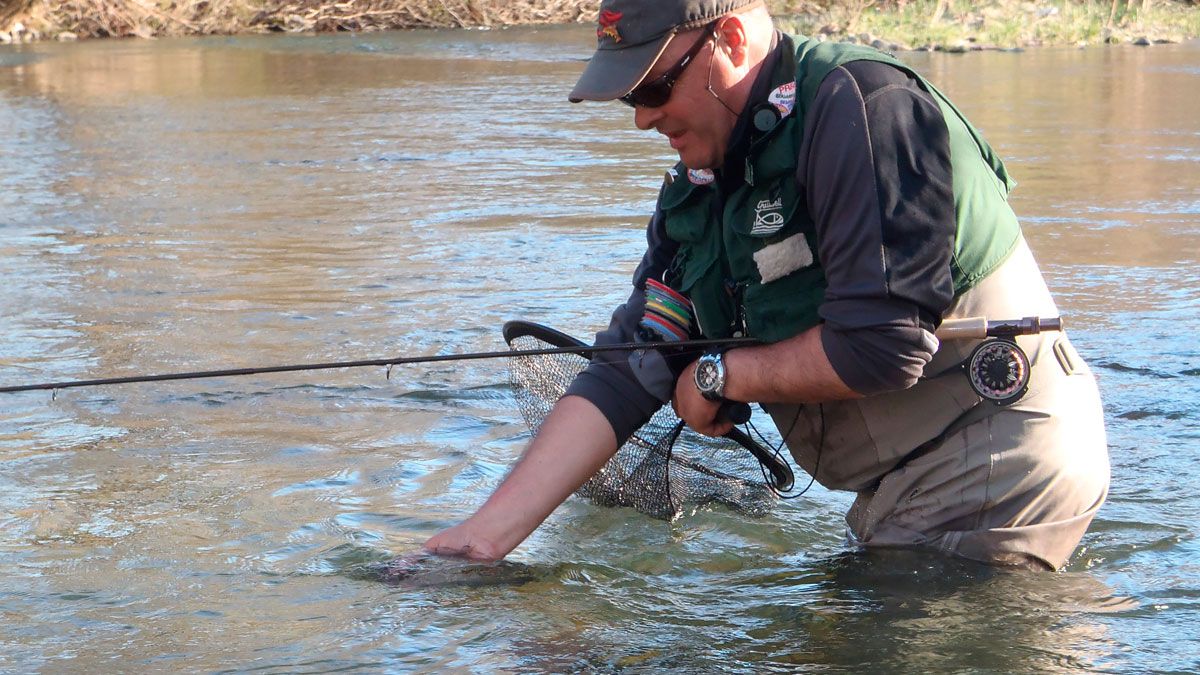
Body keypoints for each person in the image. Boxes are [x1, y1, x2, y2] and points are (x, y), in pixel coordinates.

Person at [425, 0, 1110, 570]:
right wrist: (481, 539)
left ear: (730, 36)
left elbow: (884, 346)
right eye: (629, 96)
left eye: (654, 87)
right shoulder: (699, 184)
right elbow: (630, 369)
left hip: (996, 462)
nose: (640, 116)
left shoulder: (865, 108)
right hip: (907, 487)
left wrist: (719, 375)